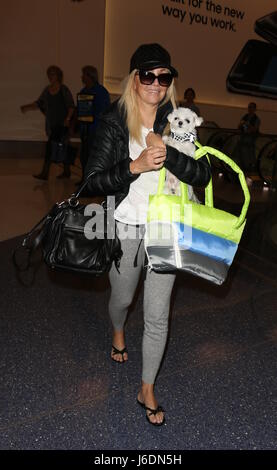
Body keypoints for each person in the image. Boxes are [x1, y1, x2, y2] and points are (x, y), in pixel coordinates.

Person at [84, 43, 211, 426]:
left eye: (164, 77)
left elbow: (202, 175)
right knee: (122, 298)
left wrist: (169, 153)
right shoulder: (113, 122)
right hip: (124, 224)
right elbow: (91, 181)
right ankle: (118, 327)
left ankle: (147, 386)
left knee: (158, 315)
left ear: (170, 82)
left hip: (165, 227)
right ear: (134, 79)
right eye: (148, 75)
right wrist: (135, 165)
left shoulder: (178, 121)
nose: (156, 83)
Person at [21, 65, 75, 180]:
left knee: (53, 148)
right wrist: (27, 107)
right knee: (61, 147)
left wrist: (68, 119)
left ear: (58, 76)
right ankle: (66, 172)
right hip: (52, 125)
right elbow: (39, 103)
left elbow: (71, 106)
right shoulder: (47, 90)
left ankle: (45, 173)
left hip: (62, 125)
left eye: (53, 74)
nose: (50, 76)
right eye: (49, 74)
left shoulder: (63, 89)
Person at [77, 66, 110, 184]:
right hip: (85, 129)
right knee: (83, 156)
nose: (82, 77)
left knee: (94, 157)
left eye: (84, 74)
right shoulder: (83, 91)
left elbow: (105, 111)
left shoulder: (101, 91)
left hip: (96, 129)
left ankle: (93, 182)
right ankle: (85, 180)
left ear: (90, 76)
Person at [235, 102, 261, 172]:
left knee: (249, 153)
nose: (249, 109)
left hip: (251, 138)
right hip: (243, 137)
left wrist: (247, 124)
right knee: (240, 150)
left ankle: (250, 167)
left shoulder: (257, 119)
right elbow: (239, 126)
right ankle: (241, 166)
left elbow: (255, 129)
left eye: (251, 107)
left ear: (255, 109)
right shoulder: (245, 116)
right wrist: (241, 125)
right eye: (249, 107)